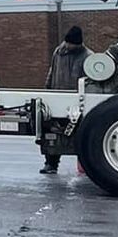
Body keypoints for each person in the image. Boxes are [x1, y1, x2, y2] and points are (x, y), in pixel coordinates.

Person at [40, 25, 92, 173]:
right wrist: (47, 88)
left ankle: (85, 166)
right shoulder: (58, 52)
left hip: (76, 99)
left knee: (80, 133)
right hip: (57, 95)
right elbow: (52, 69)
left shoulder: (87, 56)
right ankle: (51, 163)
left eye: (73, 44)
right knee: (53, 132)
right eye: (69, 43)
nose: (70, 47)